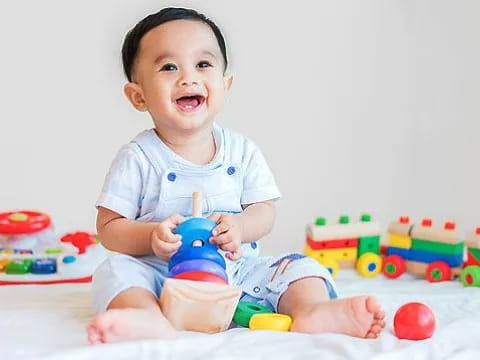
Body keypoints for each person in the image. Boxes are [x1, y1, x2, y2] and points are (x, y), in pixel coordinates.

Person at [87, 7, 385, 344]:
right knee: (114, 272)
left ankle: (312, 311)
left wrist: (241, 227)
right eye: (169, 67)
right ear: (138, 96)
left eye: (203, 64)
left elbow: (264, 213)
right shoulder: (138, 157)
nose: (189, 77)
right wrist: (152, 235)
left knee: (300, 267)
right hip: (161, 272)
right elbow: (109, 230)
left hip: (237, 271)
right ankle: (145, 315)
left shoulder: (241, 151)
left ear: (225, 85)